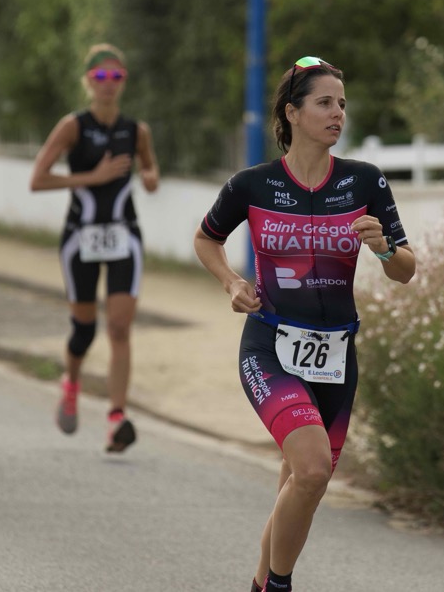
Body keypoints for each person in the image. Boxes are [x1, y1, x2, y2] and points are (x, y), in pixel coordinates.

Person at [193, 56, 416, 592]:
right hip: (270, 345)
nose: (338, 113)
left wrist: (385, 249)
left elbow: (406, 270)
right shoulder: (253, 184)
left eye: (342, 104)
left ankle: (260, 583)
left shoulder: (365, 181)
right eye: (325, 103)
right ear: (292, 113)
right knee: (312, 470)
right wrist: (231, 282)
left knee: (301, 482)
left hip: (336, 355)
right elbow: (206, 239)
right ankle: (279, 585)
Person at [29, 44, 159, 452]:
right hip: (80, 238)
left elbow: (150, 166)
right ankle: (71, 382)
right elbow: (37, 179)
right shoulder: (73, 126)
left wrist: (151, 177)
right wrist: (92, 177)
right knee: (84, 328)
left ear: (124, 82)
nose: (108, 84)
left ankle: (116, 418)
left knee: (119, 327)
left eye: (116, 76)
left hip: (123, 236)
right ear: (88, 80)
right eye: (101, 76)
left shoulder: (136, 130)